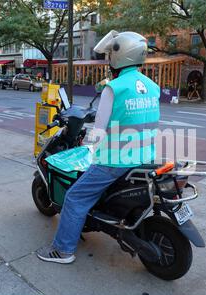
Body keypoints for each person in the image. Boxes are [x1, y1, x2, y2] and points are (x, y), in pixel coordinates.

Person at [36, 30, 161, 264]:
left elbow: (100, 130)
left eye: (108, 55)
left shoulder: (114, 88)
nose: (107, 60)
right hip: (146, 158)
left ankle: (63, 250)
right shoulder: (152, 86)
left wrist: (86, 142)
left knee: (74, 198)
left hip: (115, 161)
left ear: (118, 55)